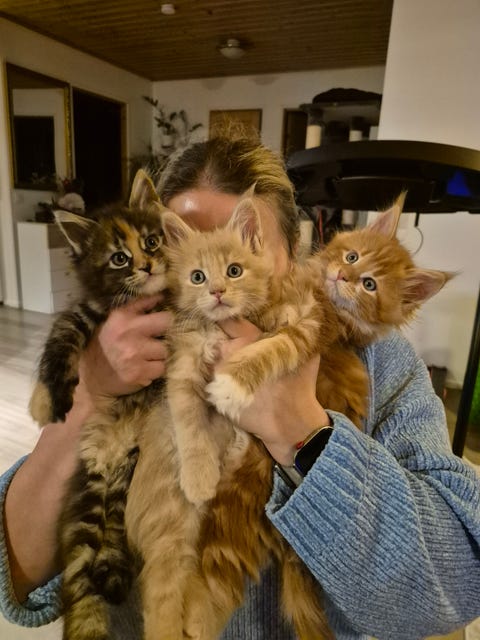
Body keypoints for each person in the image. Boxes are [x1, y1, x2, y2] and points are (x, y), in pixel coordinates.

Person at [1, 134, 480, 640]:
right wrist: (86, 398)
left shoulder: (380, 359)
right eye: (186, 248)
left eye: (244, 242)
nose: (215, 284)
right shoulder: (121, 348)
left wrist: (304, 433)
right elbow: (15, 574)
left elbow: (459, 578)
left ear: (294, 254)